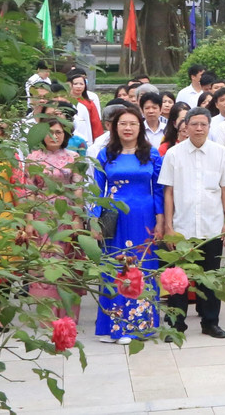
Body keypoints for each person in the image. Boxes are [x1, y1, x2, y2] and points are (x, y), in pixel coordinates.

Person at [158, 109, 225, 337]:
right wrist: (169, 227)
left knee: (211, 278)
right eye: (194, 124)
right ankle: (176, 325)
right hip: (182, 228)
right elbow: (169, 192)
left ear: (209, 126)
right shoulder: (174, 154)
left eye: (203, 124)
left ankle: (210, 322)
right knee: (177, 281)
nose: (199, 128)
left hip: (212, 227)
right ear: (185, 126)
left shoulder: (220, 153)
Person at [92, 107, 165, 344]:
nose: (127, 128)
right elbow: (95, 190)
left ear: (140, 127)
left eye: (133, 124)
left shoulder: (152, 155)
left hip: (143, 218)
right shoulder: (105, 155)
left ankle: (138, 326)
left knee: (141, 266)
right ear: (115, 127)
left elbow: (160, 190)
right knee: (114, 267)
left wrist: (161, 219)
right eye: (122, 123)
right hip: (113, 218)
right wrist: (93, 219)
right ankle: (112, 326)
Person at [19, 119, 82, 319]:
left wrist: (78, 219)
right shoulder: (33, 158)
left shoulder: (73, 157)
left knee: (67, 263)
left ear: (65, 135)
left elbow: (78, 189)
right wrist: (29, 221)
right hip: (42, 214)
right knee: (45, 263)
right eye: (49, 132)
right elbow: (29, 191)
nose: (54, 136)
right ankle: (47, 315)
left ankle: (68, 317)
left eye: (58, 132)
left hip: (67, 215)